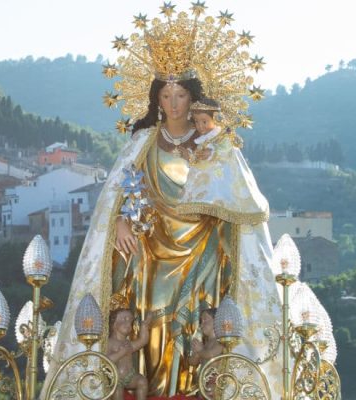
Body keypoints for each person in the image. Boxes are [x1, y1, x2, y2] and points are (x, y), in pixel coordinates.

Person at [44, 9, 287, 398]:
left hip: (204, 250)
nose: (174, 104)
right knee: (154, 321)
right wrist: (119, 222)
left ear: (194, 97)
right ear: (156, 97)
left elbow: (243, 202)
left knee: (199, 327)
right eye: (166, 95)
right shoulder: (142, 143)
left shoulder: (215, 144)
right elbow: (117, 196)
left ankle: (196, 391)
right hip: (152, 250)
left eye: (181, 95)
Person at [177, 98, 269, 225]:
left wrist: (213, 152)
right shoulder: (203, 141)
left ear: (216, 119)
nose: (200, 126)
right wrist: (189, 157)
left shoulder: (223, 137)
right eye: (197, 121)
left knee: (219, 212)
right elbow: (199, 164)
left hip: (221, 184)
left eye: (204, 121)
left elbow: (229, 151)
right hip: (203, 185)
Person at [107, 308, 150, 400]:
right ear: (114, 324)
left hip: (130, 376)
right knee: (117, 390)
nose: (128, 324)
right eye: (124, 319)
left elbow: (143, 341)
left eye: (130, 321)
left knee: (142, 381)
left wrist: (144, 326)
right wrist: (120, 353)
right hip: (116, 378)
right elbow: (106, 360)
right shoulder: (110, 342)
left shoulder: (128, 343)